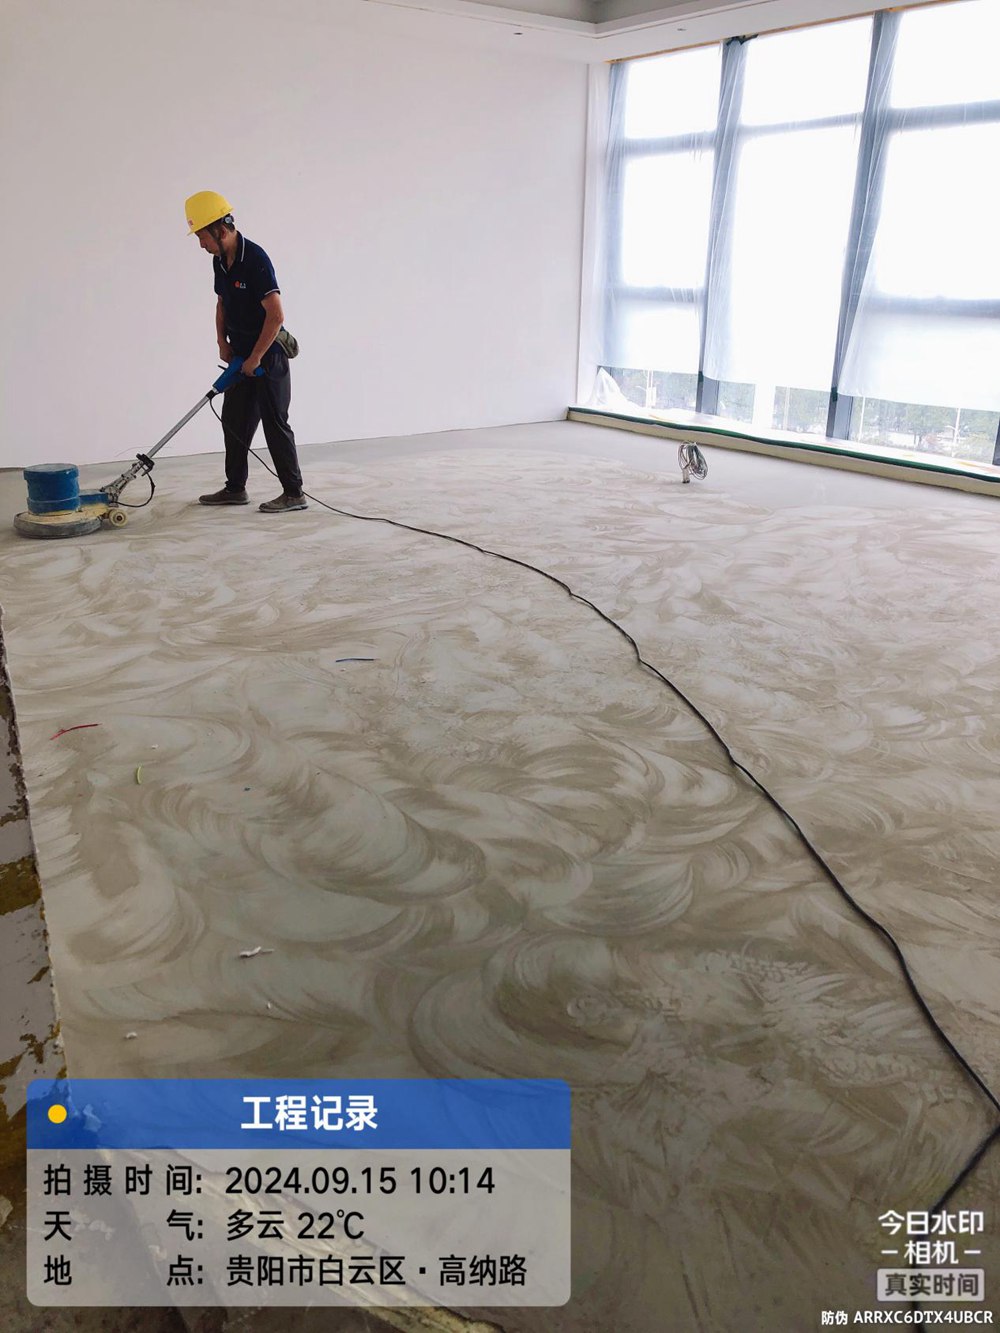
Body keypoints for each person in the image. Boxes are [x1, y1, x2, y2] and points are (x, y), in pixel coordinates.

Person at [184, 191, 307, 513]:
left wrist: (255, 358)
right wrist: (222, 342)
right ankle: (235, 489)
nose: (201, 244)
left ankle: (294, 493)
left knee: (275, 423)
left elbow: (276, 315)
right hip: (241, 355)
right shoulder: (219, 261)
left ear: (220, 229)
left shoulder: (255, 259)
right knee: (234, 421)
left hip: (268, 355)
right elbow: (221, 303)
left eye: (202, 236)